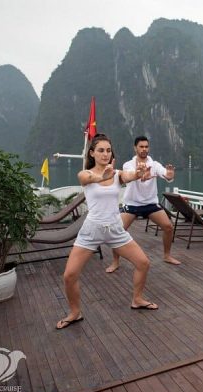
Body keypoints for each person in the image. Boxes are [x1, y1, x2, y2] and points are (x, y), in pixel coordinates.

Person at [56, 134, 158, 330]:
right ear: (92, 153)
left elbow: (129, 176)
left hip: (115, 228)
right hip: (92, 230)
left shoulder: (118, 173)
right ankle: (75, 312)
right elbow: (88, 178)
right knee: (69, 275)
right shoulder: (85, 174)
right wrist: (102, 176)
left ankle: (137, 299)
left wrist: (138, 173)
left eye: (108, 150)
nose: (105, 154)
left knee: (143, 263)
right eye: (101, 150)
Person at [106, 136, 180, 273]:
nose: (144, 149)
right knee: (118, 230)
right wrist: (139, 175)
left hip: (150, 203)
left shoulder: (155, 164)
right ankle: (115, 261)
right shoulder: (128, 164)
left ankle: (167, 255)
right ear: (135, 148)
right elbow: (128, 175)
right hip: (132, 203)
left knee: (168, 226)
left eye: (146, 146)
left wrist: (169, 175)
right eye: (141, 146)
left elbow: (166, 174)